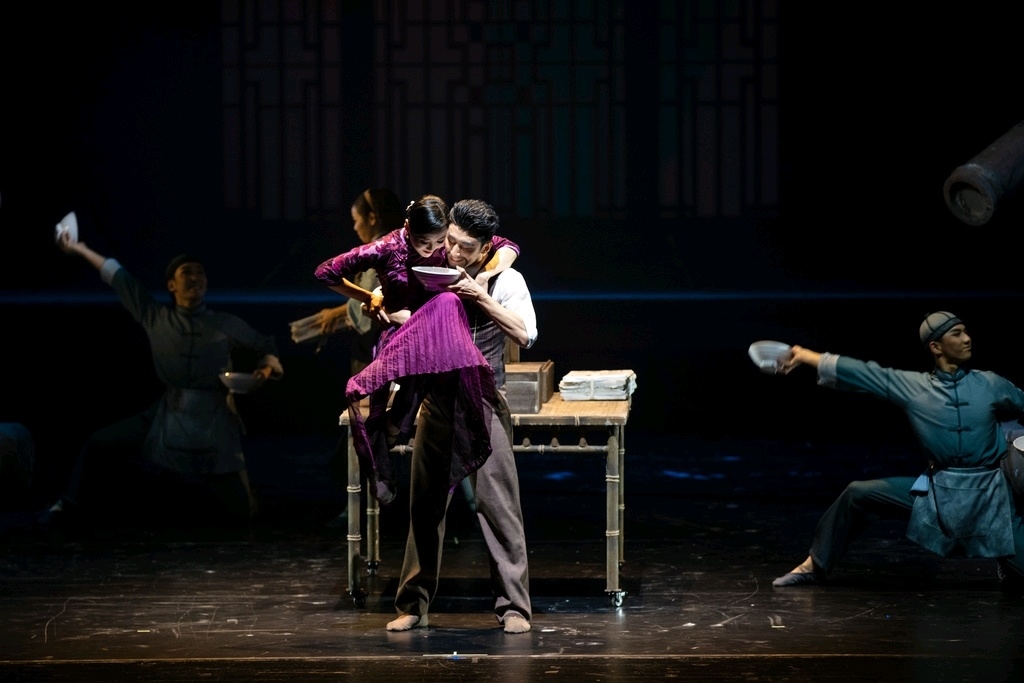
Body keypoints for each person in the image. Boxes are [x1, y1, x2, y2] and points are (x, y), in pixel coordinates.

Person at [40, 234, 284, 530]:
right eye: (187, 272)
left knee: (243, 513)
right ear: (171, 285)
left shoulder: (224, 323)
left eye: (200, 273)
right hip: (168, 414)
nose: (195, 278)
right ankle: (68, 503)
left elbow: (266, 345)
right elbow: (119, 277)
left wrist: (264, 371)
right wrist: (80, 248)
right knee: (100, 443)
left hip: (214, 420)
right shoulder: (156, 317)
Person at [769, 311, 1024, 589]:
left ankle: (1010, 565)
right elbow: (864, 372)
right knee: (859, 494)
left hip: (992, 498)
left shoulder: (990, 384)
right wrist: (806, 355)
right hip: (940, 496)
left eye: (966, 331)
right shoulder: (915, 387)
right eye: (957, 333)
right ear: (936, 347)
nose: (967, 339)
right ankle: (814, 565)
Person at [387, 198, 536, 634]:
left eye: (465, 247)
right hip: (437, 401)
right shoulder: (427, 268)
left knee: (499, 505)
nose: (453, 251)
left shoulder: (506, 279)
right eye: (450, 241)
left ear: (486, 247)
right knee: (425, 507)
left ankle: (514, 607)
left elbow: (525, 333)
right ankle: (413, 604)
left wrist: (480, 296)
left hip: (483, 402)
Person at [314, 195, 520, 506]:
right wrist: (369, 296)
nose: (435, 249)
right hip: (401, 337)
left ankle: (434, 441)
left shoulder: (446, 246)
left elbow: (508, 246)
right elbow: (326, 272)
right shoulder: (387, 247)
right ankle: (393, 432)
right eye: (425, 242)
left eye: (439, 241)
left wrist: (485, 276)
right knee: (444, 312)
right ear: (408, 227)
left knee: (448, 315)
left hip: (434, 338)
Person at [300, 188, 405, 374]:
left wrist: (335, 313)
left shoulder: (380, 250)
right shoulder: (401, 244)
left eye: (356, 220)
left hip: (379, 344)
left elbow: (373, 296)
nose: (355, 227)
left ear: (371, 218)